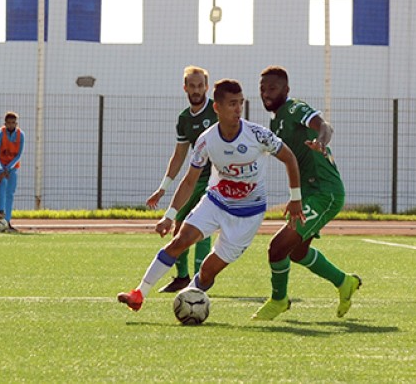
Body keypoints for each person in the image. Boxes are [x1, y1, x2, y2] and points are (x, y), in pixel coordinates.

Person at [117, 79, 305, 312]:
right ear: (217, 107)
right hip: (215, 202)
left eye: (241, 103)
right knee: (180, 241)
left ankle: (190, 299)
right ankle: (138, 294)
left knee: (207, 272)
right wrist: (169, 215)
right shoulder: (206, 140)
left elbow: (290, 158)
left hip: (248, 215)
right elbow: (189, 180)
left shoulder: (258, 134)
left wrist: (295, 197)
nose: (238, 109)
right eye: (232, 104)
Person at [252, 65, 361, 321]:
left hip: (325, 192)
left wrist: (321, 141)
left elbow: (325, 126)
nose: (267, 94)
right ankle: (344, 282)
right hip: (310, 193)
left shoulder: (294, 109)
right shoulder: (276, 121)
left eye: (273, 88)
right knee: (297, 252)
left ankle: (279, 300)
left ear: (286, 90)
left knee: (277, 248)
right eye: (263, 89)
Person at [145, 66, 216, 293]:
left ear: (206, 86)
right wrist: (163, 188)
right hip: (196, 178)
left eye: (200, 86)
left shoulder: (216, 110)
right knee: (179, 227)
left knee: (200, 225)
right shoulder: (184, 118)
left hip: (217, 179)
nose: (196, 90)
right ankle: (183, 277)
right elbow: (179, 155)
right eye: (192, 86)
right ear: (185, 87)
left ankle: (200, 280)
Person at [0, 111, 24, 233]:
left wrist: (9, 168)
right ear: (5, 123)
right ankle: (1, 212)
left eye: (13, 123)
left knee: (10, 192)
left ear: (16, 123)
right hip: (0, 164)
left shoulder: (21, 135)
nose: (11, 125)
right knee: (3, 184)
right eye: (8, 123)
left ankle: (7, 222)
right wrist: (1, 170)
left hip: (12, 166)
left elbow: (19, 154)